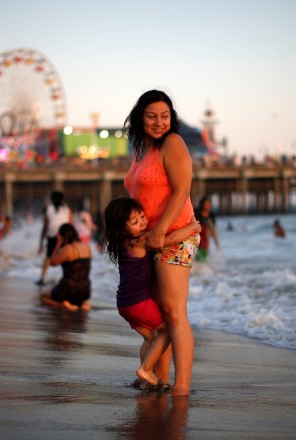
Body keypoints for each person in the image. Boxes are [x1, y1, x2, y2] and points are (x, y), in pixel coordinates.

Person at [123, 89, 200, 396]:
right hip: (151, 239)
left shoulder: (173, 143)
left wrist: (161, 230)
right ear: (140, 118)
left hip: (175, 234)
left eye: (165, 116)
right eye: (152, 116)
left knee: (174, 312)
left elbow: (182, 190)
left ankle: (181, 388)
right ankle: (162, 379)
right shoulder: (142, 149)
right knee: (158, 318)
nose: (159, 122)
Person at [104, 197, 201, 388]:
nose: (142, 222)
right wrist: (192, 228)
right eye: (135, 222)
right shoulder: (142, 240)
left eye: (142, 216)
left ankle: (145, 380)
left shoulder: (124, 244)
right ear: (123, 229)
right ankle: (146, 369)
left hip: (124, 303)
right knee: (167, 331)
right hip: (138, 302)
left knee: (150, 338)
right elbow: (169, 240)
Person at [39, 223, 92, 312]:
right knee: (77, 294)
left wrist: (58, 243)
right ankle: (83, 303)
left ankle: (62, 304)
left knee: (43, 296)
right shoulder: (87, 247)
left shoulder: (68, 248)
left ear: (63, 236)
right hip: (85, 290)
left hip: (68, 289)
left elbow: (52, 262)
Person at [36, 191, 72, 286]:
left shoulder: (49, 209)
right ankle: (68, 278)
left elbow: (45, 226)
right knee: (66, 257)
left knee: (48, 257)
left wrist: (41, 242)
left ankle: (42, 278)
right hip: (64, 235)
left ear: (51, 199)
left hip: (52, 235)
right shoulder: (67, 209)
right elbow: (70, 225)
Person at [194, 196, 219, 262]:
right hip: (196, 238)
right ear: (202, 205)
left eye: (209, 204)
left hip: (205, 241)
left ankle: (201, 270)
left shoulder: (211, 216)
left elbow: (213, 230)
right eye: (206, 204)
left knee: (202, 259)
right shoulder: (196, 213)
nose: (207, 206)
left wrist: (217, 244)